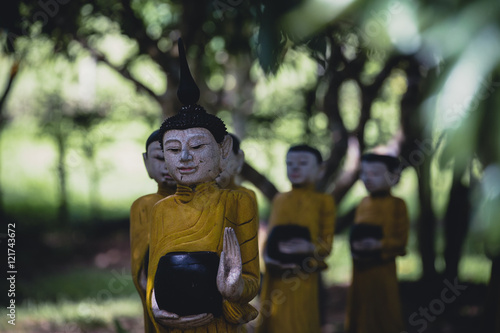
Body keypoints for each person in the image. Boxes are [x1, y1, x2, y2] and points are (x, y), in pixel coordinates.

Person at [145, 38, 260, 333]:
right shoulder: (161, 210)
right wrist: (156, 306)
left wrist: (233, 288)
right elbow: (154, 277)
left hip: (218, 322)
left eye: (197, 146)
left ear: (223, 149)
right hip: (174, 323)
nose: (184, 157)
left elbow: (252, 279)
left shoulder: (238, 202)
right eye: (172, 149)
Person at [256, 144, 336, 333]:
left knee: (301, 323)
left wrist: (308, 247)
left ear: (320, 169)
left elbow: (327, 245)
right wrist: (268, 258)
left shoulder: (324, 202)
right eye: (289, 163)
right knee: (275, 322)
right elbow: (270, 240)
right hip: (276, 276)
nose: (295, 168)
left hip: (303, 278)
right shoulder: (280, 200)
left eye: (302, 163)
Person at [345, 152, 409, 333]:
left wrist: (378, 245)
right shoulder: (363, 203)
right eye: (364, 173)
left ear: (394, 176)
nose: (367, 178)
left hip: (383, 270)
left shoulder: (398, 204)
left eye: (375, 173)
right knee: (360, 313)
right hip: (360, 270)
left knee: (385, 312)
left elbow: (401, 241)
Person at [130, 130, 177, 333]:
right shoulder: (144, 205)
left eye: (172, 155)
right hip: (158, 290)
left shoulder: (203, 203)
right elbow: (141, 261)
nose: (167, 165)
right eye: (159, 157)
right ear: (146, 161)